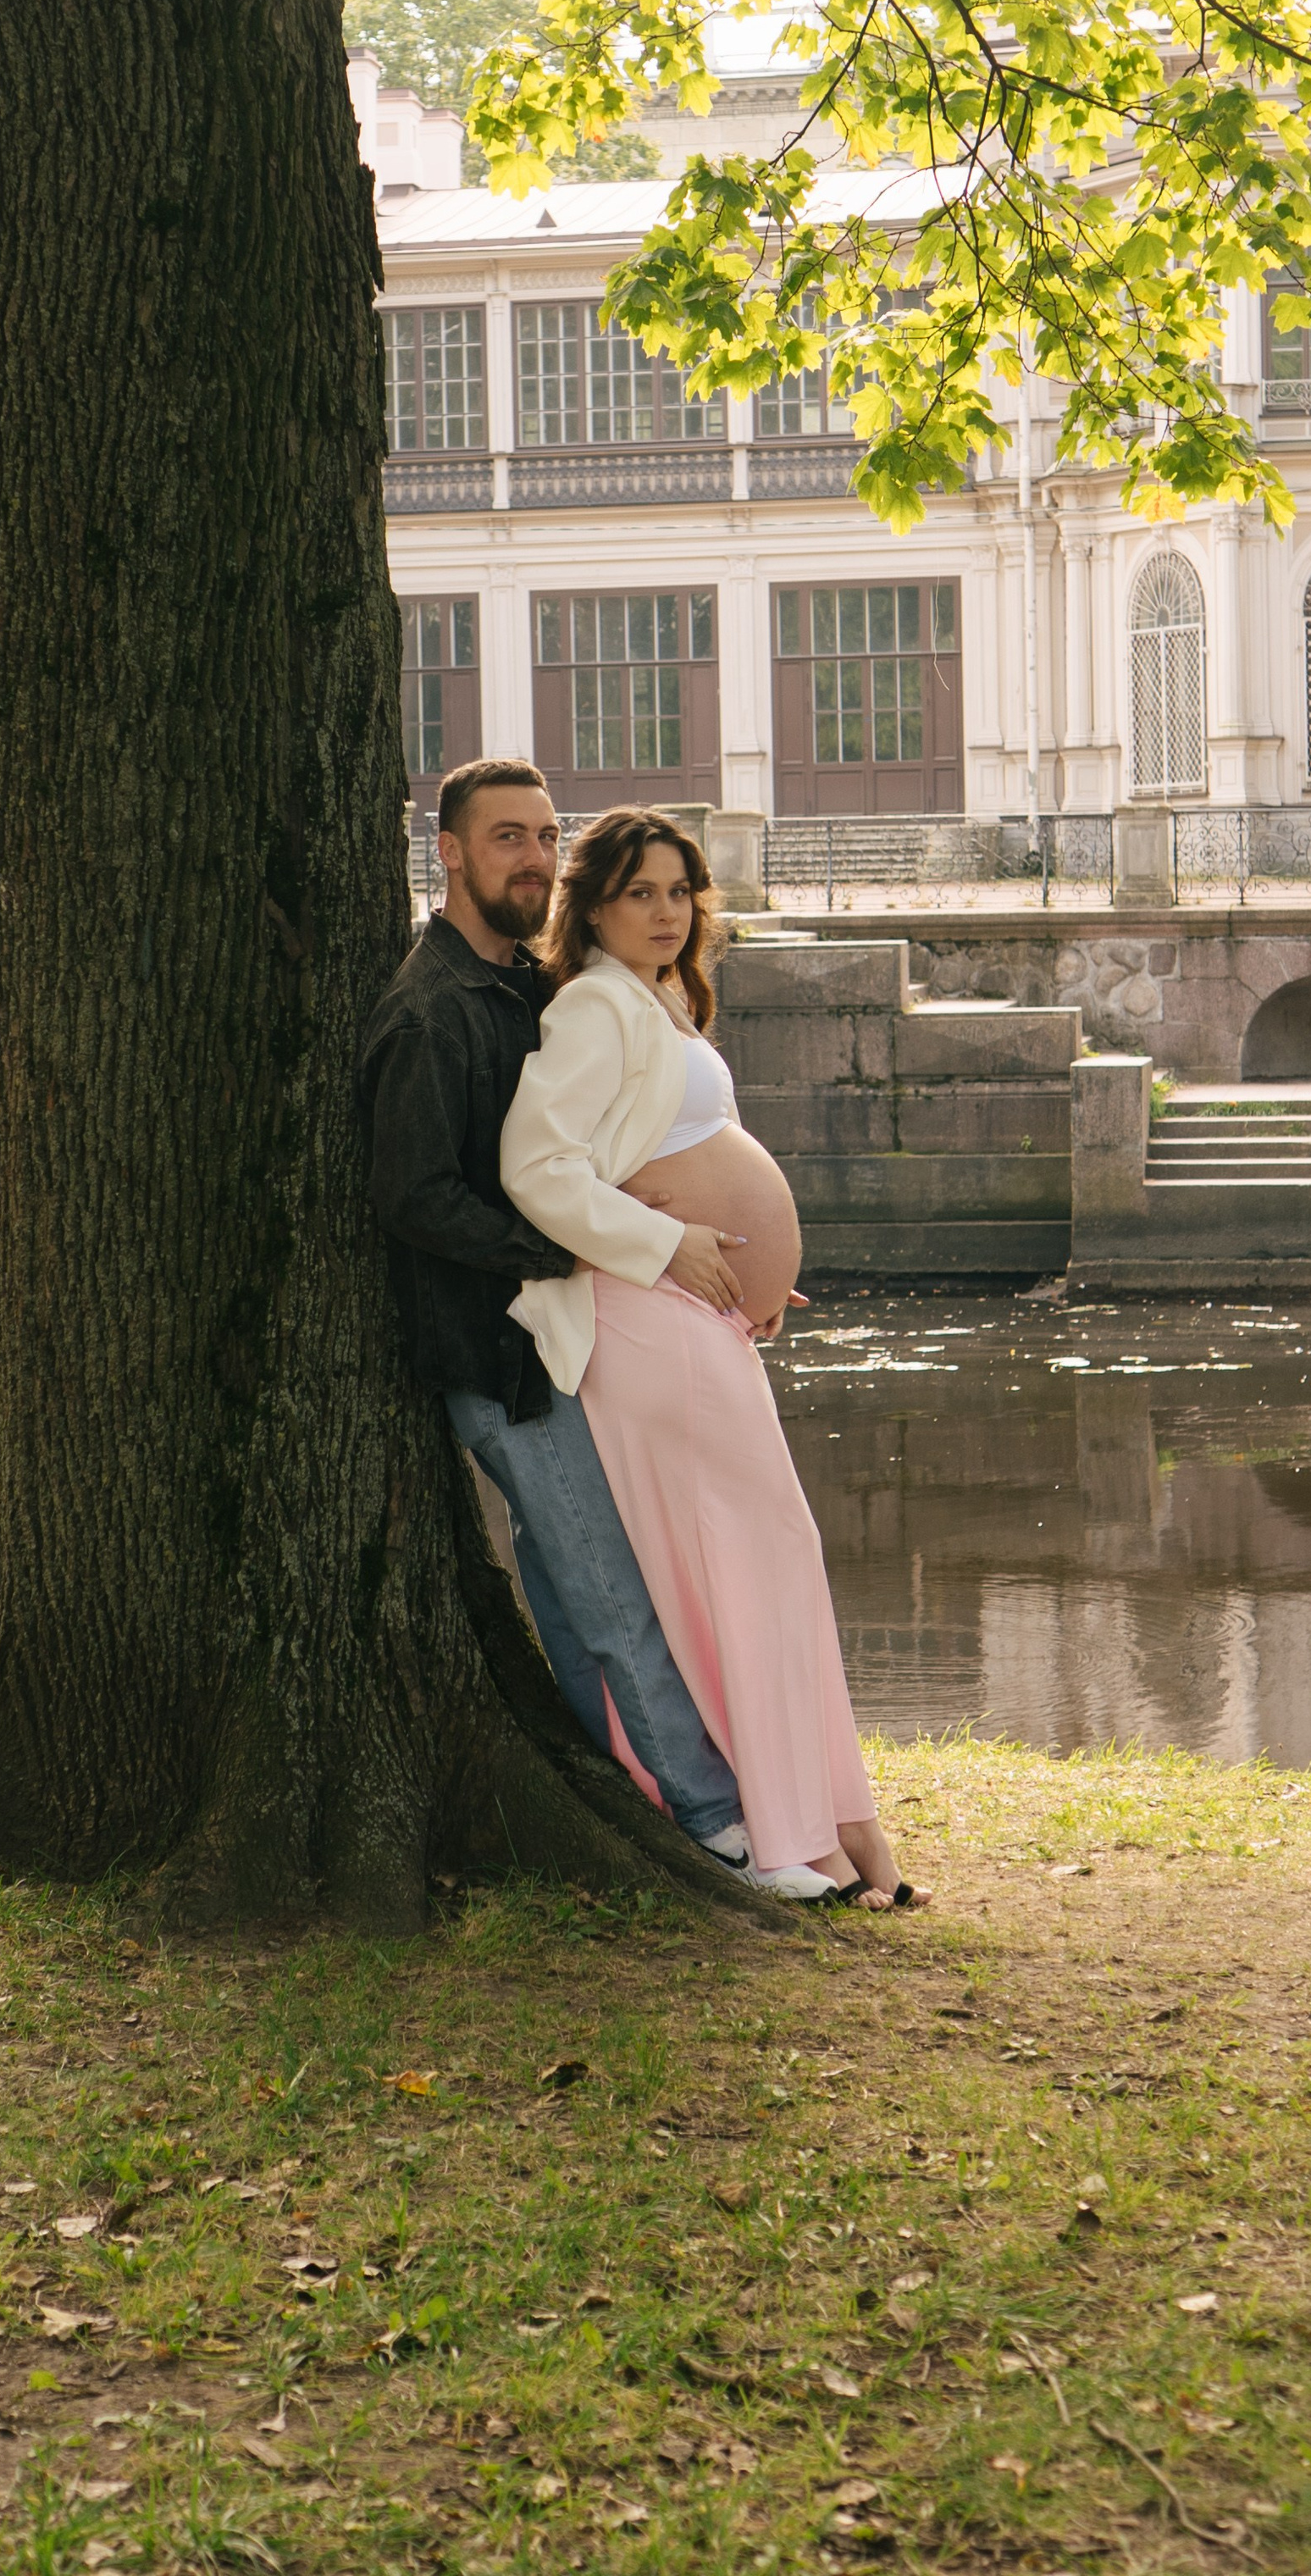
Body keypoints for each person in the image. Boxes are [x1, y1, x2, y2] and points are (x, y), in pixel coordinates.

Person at [360, 758, 788, 1886]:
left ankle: (619, 1785)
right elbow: (415, 1197)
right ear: (449, 851)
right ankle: (716, 1823)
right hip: (499, 1354)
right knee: (607, 1589)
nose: (535, 859)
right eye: (507, 837)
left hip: (573, 1334)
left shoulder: (527, 986)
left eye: (548, 837)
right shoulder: (431, 1010)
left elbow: (607, 1148)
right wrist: (586, 1246)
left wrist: (726, 1250)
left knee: (568, 1583)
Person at [501, 807, 921, 1908]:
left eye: (680, 891)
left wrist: (755, 1275)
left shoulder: (663, 1002)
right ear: (594, 906)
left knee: (761, 1555)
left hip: (694, 1316)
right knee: (744, 1558)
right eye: (639, 892)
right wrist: (673, 1244)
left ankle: (837, 1833)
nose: (666, 912)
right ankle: (787, 1836)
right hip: (641, 1315)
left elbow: (671, 1150)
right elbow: (536, 1169)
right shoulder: (593, 1006)